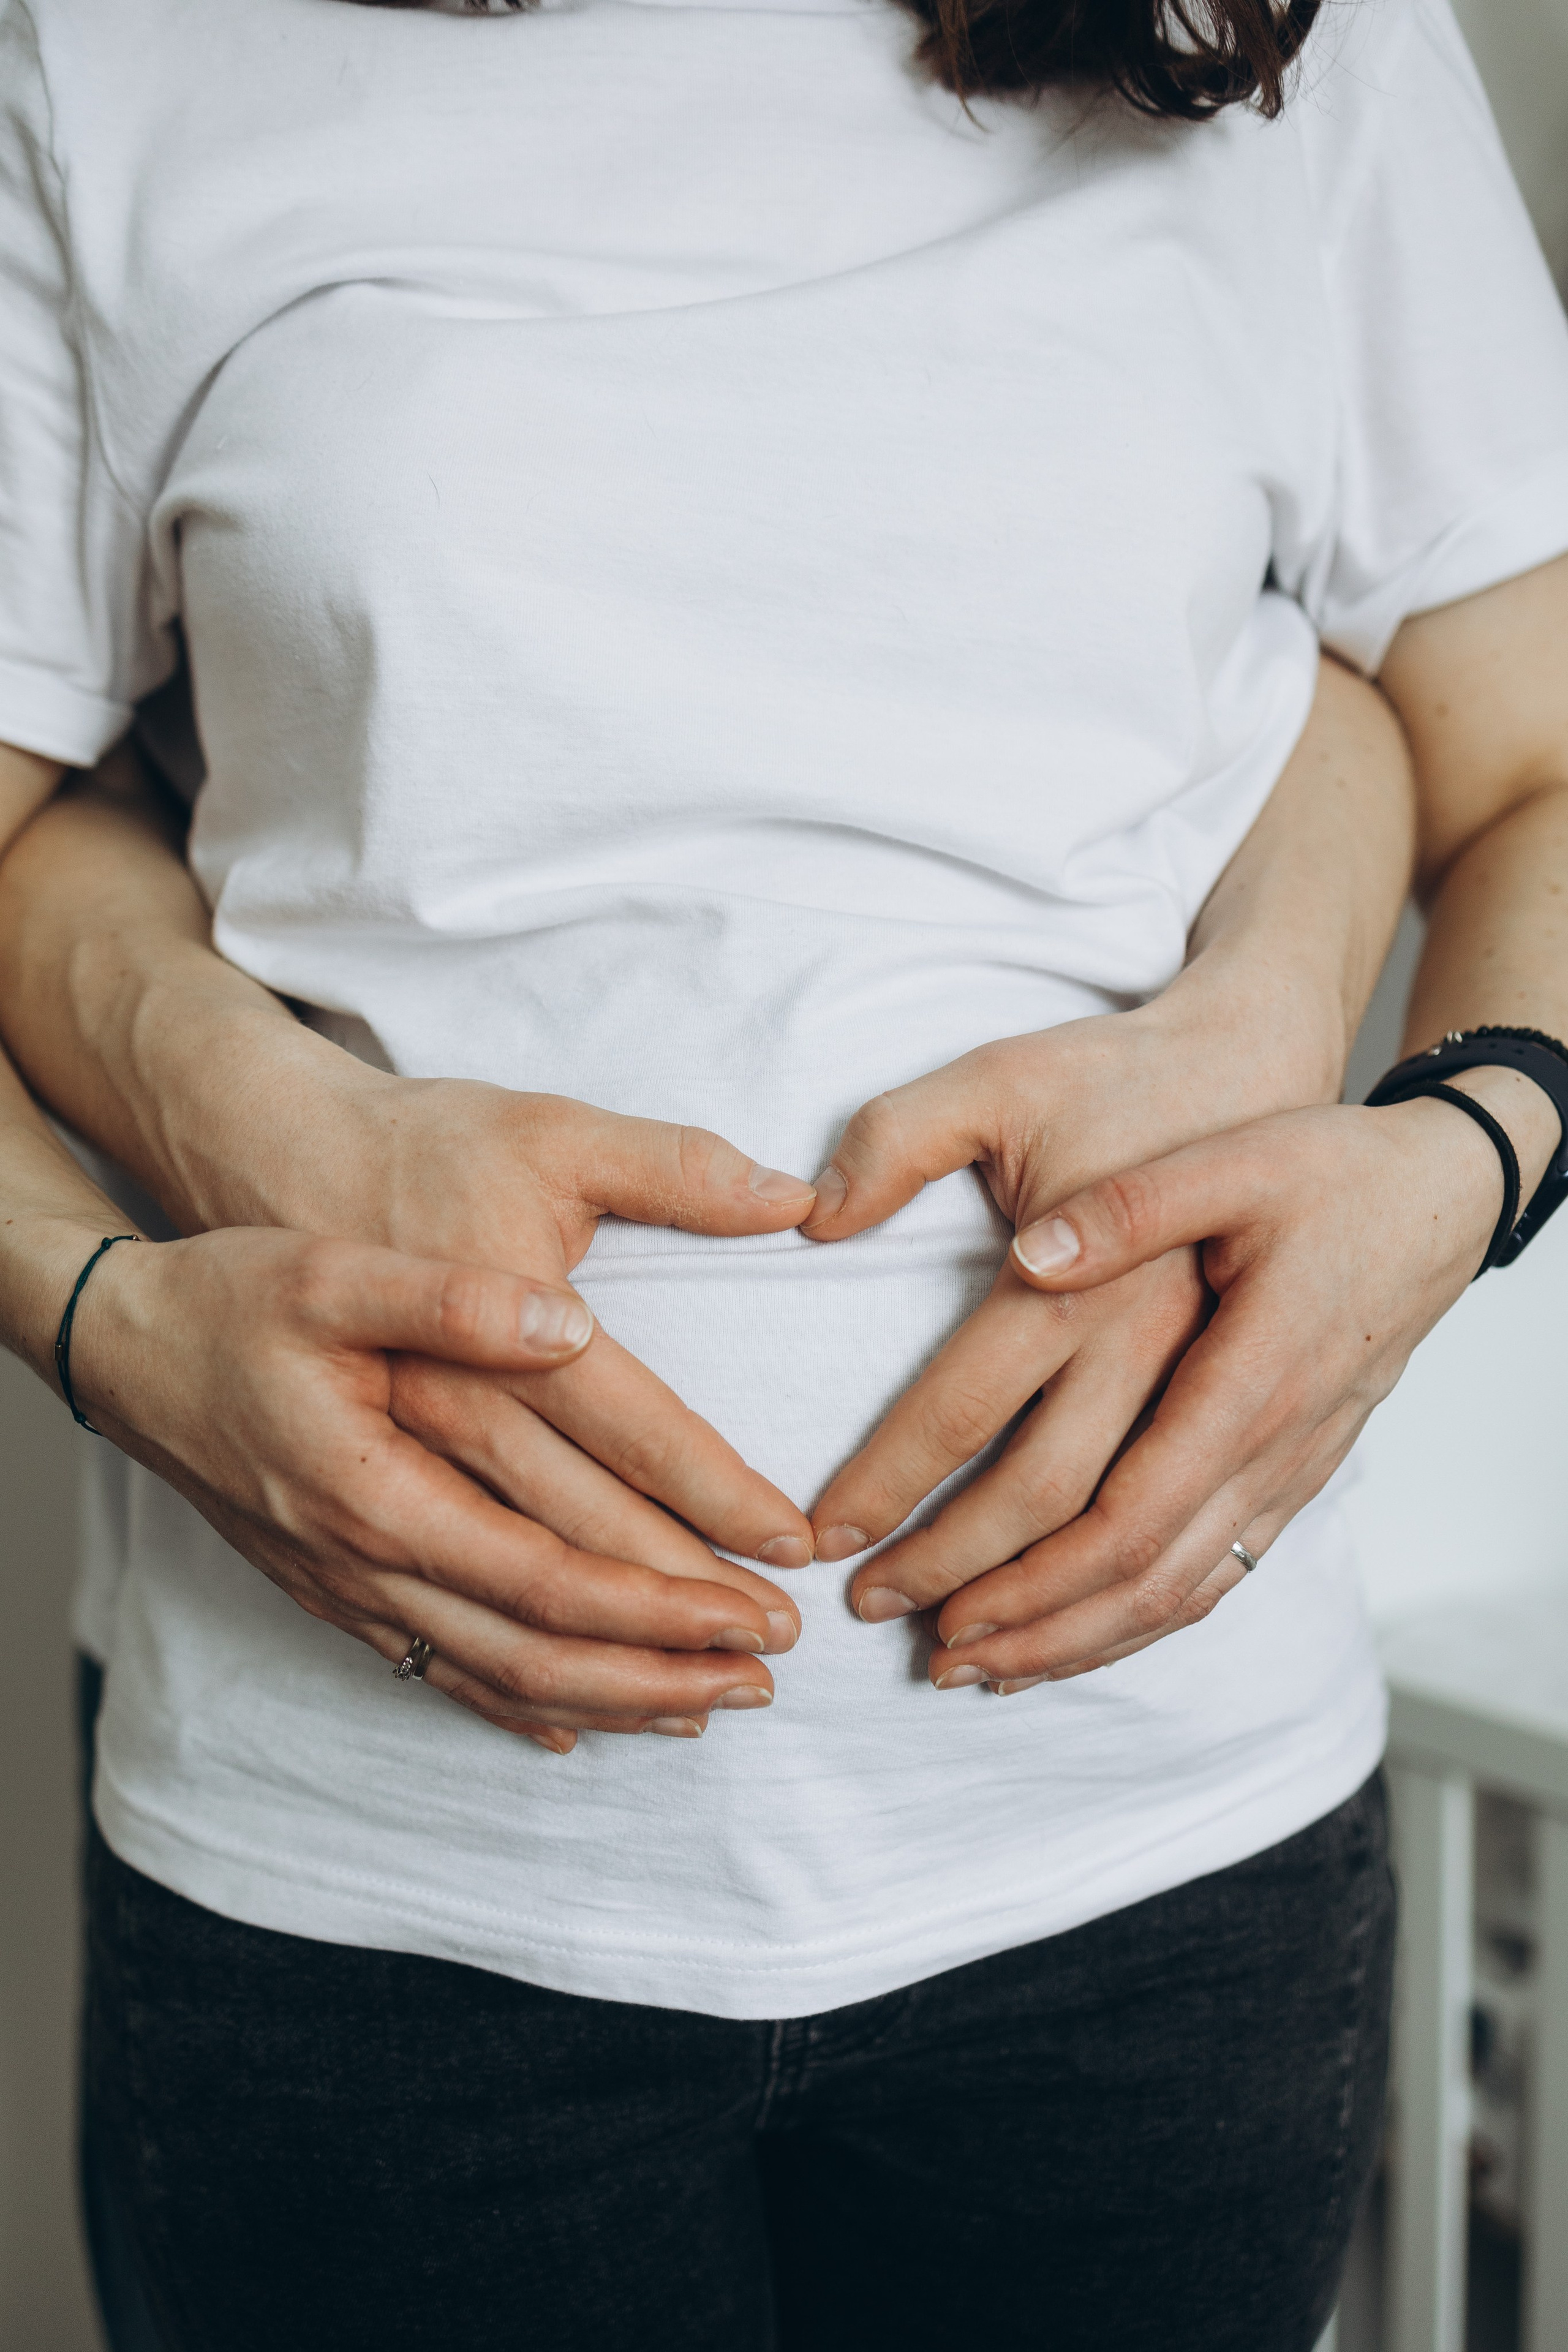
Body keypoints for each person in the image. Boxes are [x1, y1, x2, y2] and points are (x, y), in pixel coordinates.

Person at [0, 0, 1566, 2342]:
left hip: (1157, 1873)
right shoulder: (117, 50)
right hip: (374, 1913)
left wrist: (1462, 1156)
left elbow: (1529, 749)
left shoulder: (1283, 45)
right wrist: (111, 1314)